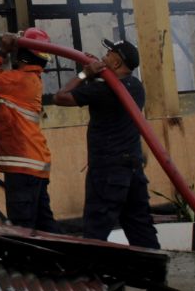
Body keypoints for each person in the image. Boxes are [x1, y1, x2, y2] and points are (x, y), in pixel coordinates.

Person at [53, 39, 159, 249]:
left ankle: (93, 278)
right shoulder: (136, 86)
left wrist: (85, 74)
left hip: (108, 170)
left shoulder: (104, 91)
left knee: (96, 229)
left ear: (117, 63)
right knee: (139, 225)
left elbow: (60, 97)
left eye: (110, 52)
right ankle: (153, 273)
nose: (105, 54)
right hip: (133, 169)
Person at [0, 28, 60, 232]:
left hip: (24, 165)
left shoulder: (20, 81)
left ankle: (31, 263)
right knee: (43, 225)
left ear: (22, 54)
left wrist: (2, 51)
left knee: (23, 227)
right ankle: (67, 260)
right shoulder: (25, 78)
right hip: (31, 164)